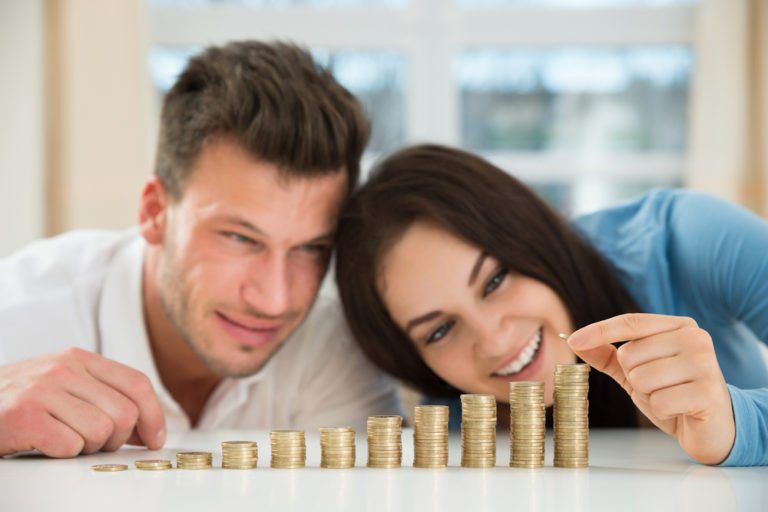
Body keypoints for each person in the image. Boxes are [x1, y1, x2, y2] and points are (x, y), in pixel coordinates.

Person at [0, 41, 399, 458]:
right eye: (240, 238)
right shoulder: (17, 316)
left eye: (310, 248)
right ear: (155, 212)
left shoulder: (332, 348)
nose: (275, 300)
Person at [335, 144, 768, 467]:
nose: (494, 338)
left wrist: (736, 424)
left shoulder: (689, 237)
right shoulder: (452, 433)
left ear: (532, 235)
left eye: (495, 280)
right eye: (440, 331)